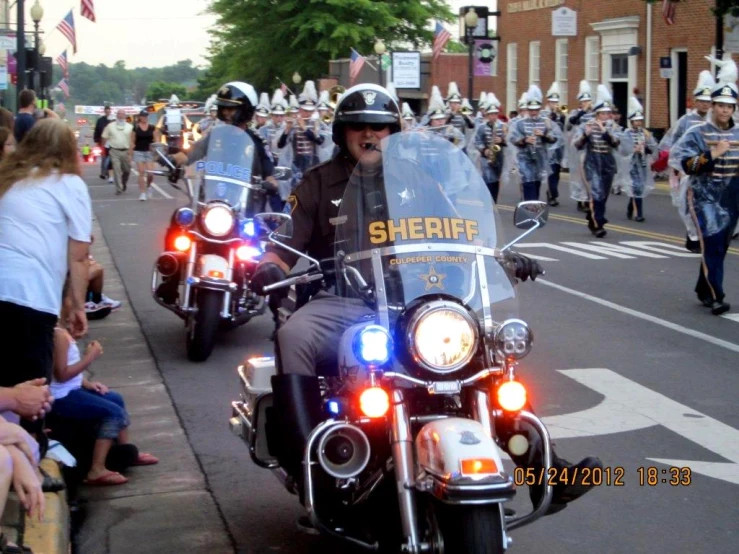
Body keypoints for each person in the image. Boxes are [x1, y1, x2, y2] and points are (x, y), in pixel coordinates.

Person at [250, 83, 602, 517]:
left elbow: (462, 232)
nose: (369, 135)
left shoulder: (416, 178)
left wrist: (500, 258)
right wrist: (269, 267)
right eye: (359, 126)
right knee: (293, 335)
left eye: (379, 127)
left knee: (483, 350)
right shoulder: (318, 183)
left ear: (393, 130)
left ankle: (546, 471)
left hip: (415, 299)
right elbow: (284, 245)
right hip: (345, 301)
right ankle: (310, 463)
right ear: (342, 132)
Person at [156, 82, 277, 304]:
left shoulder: (256, 140)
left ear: (246, 110)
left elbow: (269, 168)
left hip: (242, 206)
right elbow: (192, 153)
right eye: (225, 107)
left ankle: (253, 287)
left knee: (257, 242)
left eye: (233, 108)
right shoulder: (215, 134)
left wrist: (271, 181)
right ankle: (170, 280)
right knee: (180, 221)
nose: (228, 112)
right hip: (209, 203)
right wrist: (174, 161)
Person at [0, 119, 91, 389]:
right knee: (34, 388)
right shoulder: (69, 184)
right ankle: (33, 432)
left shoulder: (8, 180)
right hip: (33, 295)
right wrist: (77, 306)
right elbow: (79, 257)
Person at [52, 300, 158, 486]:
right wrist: (90, 356)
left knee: (114, 399)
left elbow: (63, 370)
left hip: (71, 388)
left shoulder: (63, 333)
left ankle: (127, 449)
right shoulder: (57, 336)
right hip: (62, 398)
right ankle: (97, 469)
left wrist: (87, 383)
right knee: (112, 413)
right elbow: (61, 374)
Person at [669, 56, 739, 316]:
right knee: (711, 243)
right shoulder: (697, 132)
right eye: (720, 105)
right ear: (713, 106)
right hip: (703, 194)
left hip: (731, 194)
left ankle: (704, 287)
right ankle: (716, 296)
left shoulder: (738, 133)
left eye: (729, 107)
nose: (724, 111)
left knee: (721, 245)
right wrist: (713, 155)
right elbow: (683, 162)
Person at [574, 85, 620, 238]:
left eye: (608, 113)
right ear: (597, 114)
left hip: (607, 161)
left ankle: (593, 214)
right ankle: (598, 224)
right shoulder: (586, 126)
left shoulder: (614, 127)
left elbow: (616, 143)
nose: (606, 116)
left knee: (604, 194)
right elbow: (577, 145)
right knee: (596, 193)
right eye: (603, 113)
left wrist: (605, 131)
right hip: (592, 160)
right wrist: (586, 135)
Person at [509, 85, 558, 201]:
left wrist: (544, 135)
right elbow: (512, 138)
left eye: (536, 110)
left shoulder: (546, 122)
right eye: (531, 110)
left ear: (540, 109)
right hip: (525, 158)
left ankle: (532, 212)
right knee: (528, 184)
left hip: (540, 160)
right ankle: (529, 214)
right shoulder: (520, 123)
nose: (534, 113)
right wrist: (524, 140)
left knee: (536, 188)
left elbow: (555, 138)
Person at [620, 97, 657, 222]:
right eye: (636, 121)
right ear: (631, 121)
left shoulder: (645, 133)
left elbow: (653, 147)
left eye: (640, 120)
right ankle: (639, 213)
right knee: (636, 186)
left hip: (642, 163)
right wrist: (634, 149)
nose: (638, 123)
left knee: (639, 187)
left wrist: (646, 147)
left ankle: (631, 207)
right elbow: (624, 150)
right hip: (631, 164)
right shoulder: (626, 133)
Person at [567, 81, 596, 212]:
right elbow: (571, 123)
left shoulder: (594, 113)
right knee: (580, 174)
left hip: (592, 146)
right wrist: (583, 111)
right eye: (584, 101)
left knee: (591, 173)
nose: (586, 103)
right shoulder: (576, 113)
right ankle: (581, 199)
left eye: (588, 100)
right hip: (580, 145)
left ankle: (589, 198)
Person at [474, 97, 507, 203]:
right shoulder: (482, 127)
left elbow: (510, 141)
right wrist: (485, 151)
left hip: (499, 158)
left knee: (496, 181)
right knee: (488, 180)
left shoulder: (503, 126)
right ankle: (488, 203)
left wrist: (501, 140)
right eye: (491, 114)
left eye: (495, 114)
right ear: (487, 115)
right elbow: (477, 142)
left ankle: (494, 202)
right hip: (486, 158)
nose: (493, 116)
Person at [542, 82, 566, 206]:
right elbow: (545, 129)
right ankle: (552, 195)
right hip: (548, 147)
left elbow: (565, 128)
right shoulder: (544, 114)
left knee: (556, 172)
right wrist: (551, 116)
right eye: (552, 102)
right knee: (551, 172)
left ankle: (551, 192)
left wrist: (561, 116)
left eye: (556, 102)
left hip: (558, 148)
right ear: (548, 102)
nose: (555, 104)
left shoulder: (559, 114)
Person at [102, 109, 133, 195]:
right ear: (117, 115)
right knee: (116, 169)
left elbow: (132, 141)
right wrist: (103, 148)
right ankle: (119, 188)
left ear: (125, 116)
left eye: (123, 114)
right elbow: (104, 136)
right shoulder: (110, 126)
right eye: (119, 114)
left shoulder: (130, 127)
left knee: (127, 170)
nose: (121, 115)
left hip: (125, 151)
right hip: (114, 151)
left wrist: (131, 153)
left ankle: (123, 183)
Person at [131, 110, 159, 201]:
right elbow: (132, 141)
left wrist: (157, 150)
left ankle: (149, 185)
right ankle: (142, 193)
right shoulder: (135, 128)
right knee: (141, 171)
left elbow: (156, 140)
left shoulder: (152, 127)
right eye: (143, 116)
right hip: (139, 151)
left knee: (150, 173)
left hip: (149, 151)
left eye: (146, 116)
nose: (144, 118)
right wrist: (130, 153)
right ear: (140, 117)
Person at [93, 105, 113, 181]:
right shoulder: (100, 120)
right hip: (103, 142)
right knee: (104, 158)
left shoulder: (113, 120)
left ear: (110, 111)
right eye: (106, 111)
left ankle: (109, 173)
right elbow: (97, 130)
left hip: (113, 142)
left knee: (111, 158)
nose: (108, 112)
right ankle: (103, 173)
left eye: (109, 111)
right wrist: (97, 140)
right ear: (104, 111)